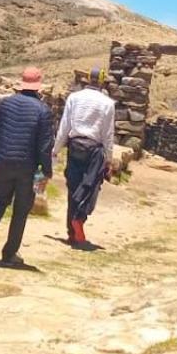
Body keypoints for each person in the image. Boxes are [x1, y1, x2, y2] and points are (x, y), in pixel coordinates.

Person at [0, 67, 55, 267]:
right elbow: (45, 146)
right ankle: (9, 253)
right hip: (27, 167)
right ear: (38, 86)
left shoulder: (5, 104)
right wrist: (46, 170)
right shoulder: (43, 111)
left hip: (2, 161)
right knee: (21, 209)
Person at [53, 67, 117, 246]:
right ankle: (79, 218)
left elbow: (64, 126)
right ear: (103, 81)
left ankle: (71, 233)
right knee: (90, 186)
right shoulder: (108, 103)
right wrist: (109, 159)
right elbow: (108, 134)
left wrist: (56, 149)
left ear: (88, 79)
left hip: (75, 147)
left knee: (73, 187)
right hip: (94, 150)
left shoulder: (74, 98)